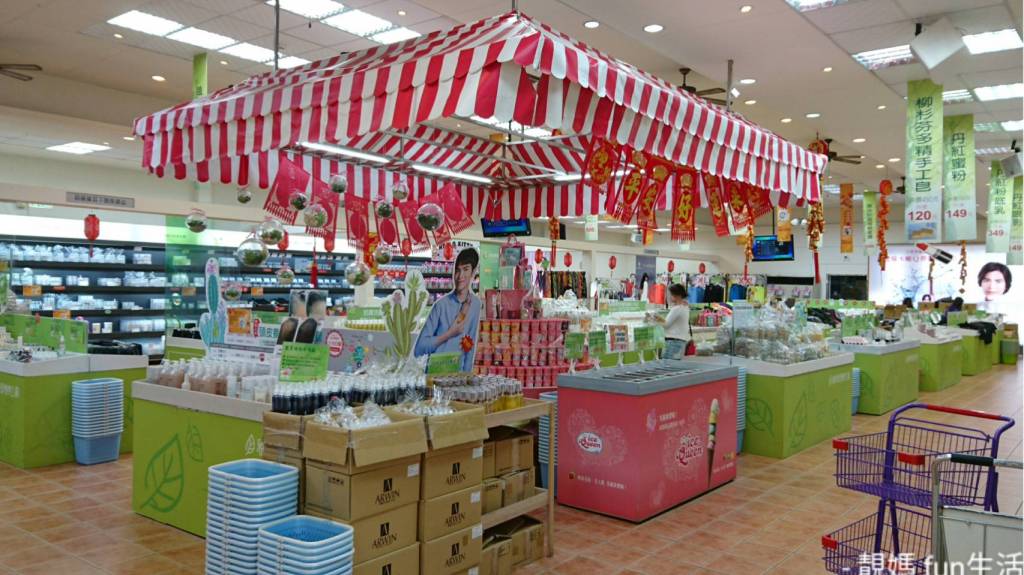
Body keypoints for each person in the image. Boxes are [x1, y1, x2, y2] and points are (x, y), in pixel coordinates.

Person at [414, 248, 482, 372]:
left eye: (466, 269)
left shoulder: (475, 305)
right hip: (436, 374)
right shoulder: (440, 305)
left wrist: (466, 377)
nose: (460, 276)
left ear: (473, 272)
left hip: (457, 377)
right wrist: (449, 334)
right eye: (457, 270)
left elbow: (469, 347)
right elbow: (419, 349)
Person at [650, 283, 692, 360]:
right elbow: (672, 322)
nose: (669, 297)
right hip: (680, 341)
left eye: (671, 295)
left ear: (677, 295)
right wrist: (660, 318)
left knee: (667, 365)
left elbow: (666, 325)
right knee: (674, 365)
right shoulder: (685, 307)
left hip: (673, 342)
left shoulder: (677, 309)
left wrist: (654, 320)